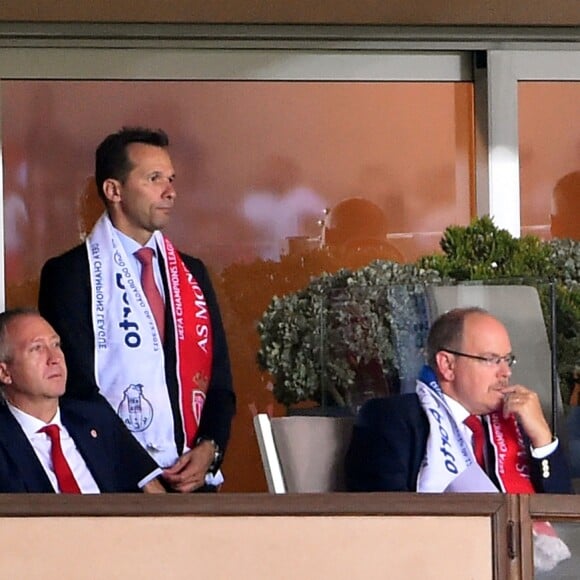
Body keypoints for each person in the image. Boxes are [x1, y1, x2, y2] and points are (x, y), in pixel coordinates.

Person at [38, 127, 236, 493]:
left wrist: (210, 448)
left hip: (194, 483)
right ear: (114, 191)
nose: (170, 191)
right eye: (154, 178)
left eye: (171, 179)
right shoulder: (70, 274)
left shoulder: (191, 274)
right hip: (115, 482)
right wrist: (142, 474)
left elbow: (218, 379)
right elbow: (75, 387)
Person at [345, 307, 572, 494]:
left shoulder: (514, 422)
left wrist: (543, 440)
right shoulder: (393, 419)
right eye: (491, 359)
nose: (505, 372)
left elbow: (565, 523)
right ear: (448, 365)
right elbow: (381, 516)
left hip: (527, 547)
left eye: (507, 360)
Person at [0, 309, 165, 493]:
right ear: (5, 373)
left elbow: (154, 499)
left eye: (56, 344)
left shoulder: (98, 420)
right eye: (37, 348)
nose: (55, 358)